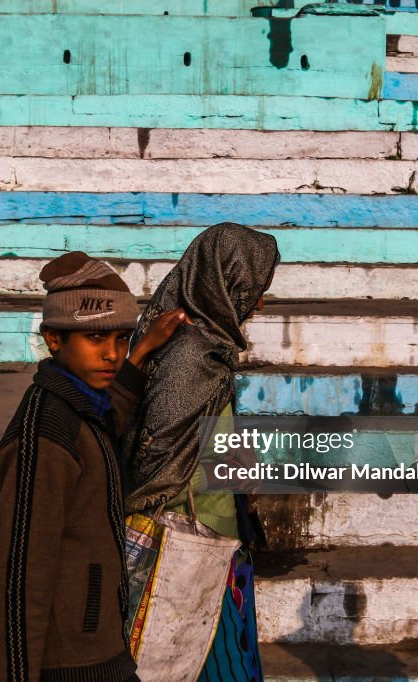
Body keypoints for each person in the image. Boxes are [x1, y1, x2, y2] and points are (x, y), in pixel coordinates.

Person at [0, 251, 189, 682]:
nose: (112, 355)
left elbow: (108, 419)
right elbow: (22, 575)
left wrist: (143, 350)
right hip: (68, 665)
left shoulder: (79, 405)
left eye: (120, 338)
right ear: (54, 340)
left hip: (99, 651)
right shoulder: (45, 435)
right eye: (95, 339)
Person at [122, 222, 281, 681]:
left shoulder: (205, 344)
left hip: (214, 539)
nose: (260, 302)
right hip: (189, 543)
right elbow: (156, 452)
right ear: (225, 281)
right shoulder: (189, 353)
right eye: (254, 288)